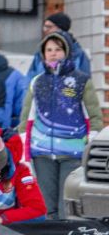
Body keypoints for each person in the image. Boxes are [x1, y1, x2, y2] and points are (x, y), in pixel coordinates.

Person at [20, 30, 103, 219]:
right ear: (43, 54)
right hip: (42, 154)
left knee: (67, 206)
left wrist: (90, 144)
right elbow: (27, 119)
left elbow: (94, 117)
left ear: (66, 52)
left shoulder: (81, 81)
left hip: (72, 153)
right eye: (48, 50)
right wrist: (25, 150)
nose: (53, 53)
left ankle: (66, 233)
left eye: (58, 49)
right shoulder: (37, 82)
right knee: (46, 206)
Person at [26, 12, 90, 83]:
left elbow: (84, 82)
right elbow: (30, 79)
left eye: (49, 27)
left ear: (60, 28)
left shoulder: (78, 54)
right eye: (44, 27)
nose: (45, 30)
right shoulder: (40, 53)